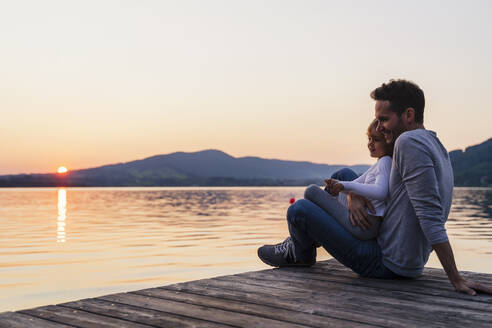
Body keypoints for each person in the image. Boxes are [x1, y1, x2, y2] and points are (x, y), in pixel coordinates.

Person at [258, 79, 492, 295]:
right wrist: (353, 196)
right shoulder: (434, 142)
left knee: (299, 210)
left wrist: (456, 278)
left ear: (408, 114)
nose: (378, 128)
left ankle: (300, 251)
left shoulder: (407, 142)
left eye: (384, 120)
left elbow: (430, 216)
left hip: (386, 263)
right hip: (396, 247)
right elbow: (389, 189)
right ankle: (304, 242)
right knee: (343, 175)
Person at [303, 119, 393, 240]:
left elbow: (381, 192)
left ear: (388, 142)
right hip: (365, 222)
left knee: (311, 191)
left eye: (376, 140)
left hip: (365, 224)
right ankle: (310, 236)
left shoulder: (385, 161)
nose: (370, 143)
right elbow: (356, 183)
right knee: (338, 178)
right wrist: (338, 185)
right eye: (369, 138)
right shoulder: (379, 164)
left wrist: (344, 186)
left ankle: (307, 238)